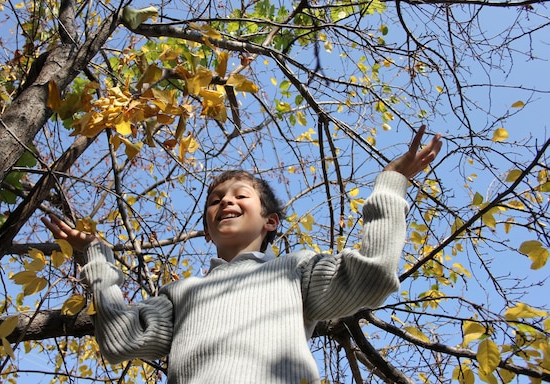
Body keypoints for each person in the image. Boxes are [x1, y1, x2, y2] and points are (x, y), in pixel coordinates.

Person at [42, 126, 442, 383]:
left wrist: (391, 184)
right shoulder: (182, 293)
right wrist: (96, 258)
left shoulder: (295, 269)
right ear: (207, 226)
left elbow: (369, 277)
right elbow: (119, 340)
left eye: (239, 196)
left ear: (270, 222)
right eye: (216, 200)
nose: (225, 203)